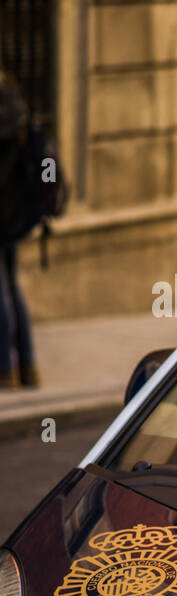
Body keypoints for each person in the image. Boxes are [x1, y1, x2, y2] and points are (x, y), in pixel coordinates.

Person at [0, 71, 59, 388]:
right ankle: (28, 365)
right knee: (11, 285)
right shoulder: (16, 103)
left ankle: (4, 368)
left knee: (2, 289)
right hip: (16, 216)